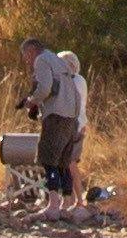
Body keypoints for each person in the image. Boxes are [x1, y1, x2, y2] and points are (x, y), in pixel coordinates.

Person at [25, 38, 89, 199]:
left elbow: (48, 92)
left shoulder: (72, 80)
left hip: (68, 124)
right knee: (66, 163)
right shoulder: (79, 80)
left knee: (59, 162)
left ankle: (73, 199)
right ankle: (70, 199)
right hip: (77, 124)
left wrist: (34, 100)